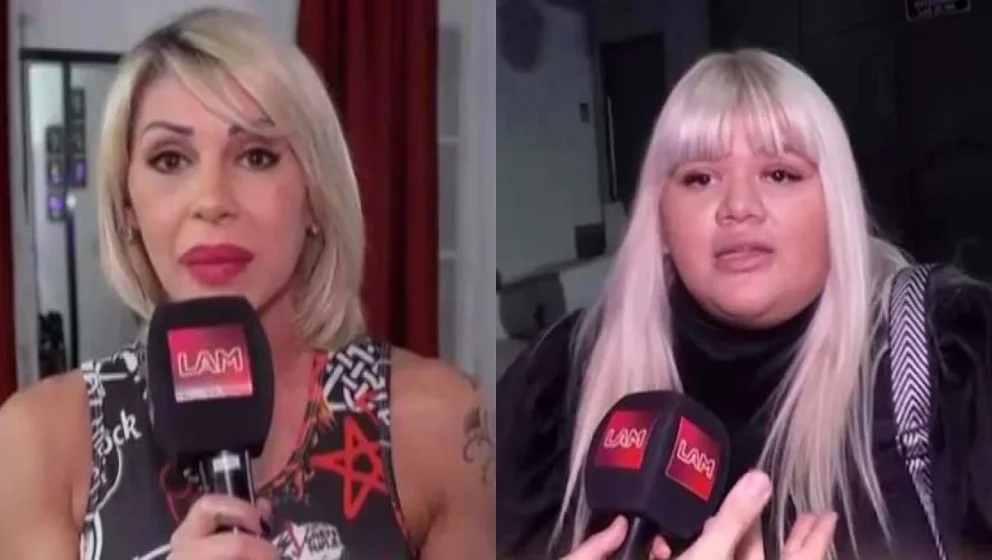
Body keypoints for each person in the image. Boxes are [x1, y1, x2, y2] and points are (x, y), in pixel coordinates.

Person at [0, 8, 494, 559]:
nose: (212, 200)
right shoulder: (40, 440)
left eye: (257, 156)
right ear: (127, 209)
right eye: (170, 159)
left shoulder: (448, 425)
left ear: (316, 195)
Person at [497, 48, 992, 559]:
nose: (738, 207)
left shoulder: (950, 356)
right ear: (660, 220)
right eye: (700, 178)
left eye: (780, 174)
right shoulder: (560, 381)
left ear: (836, 204)